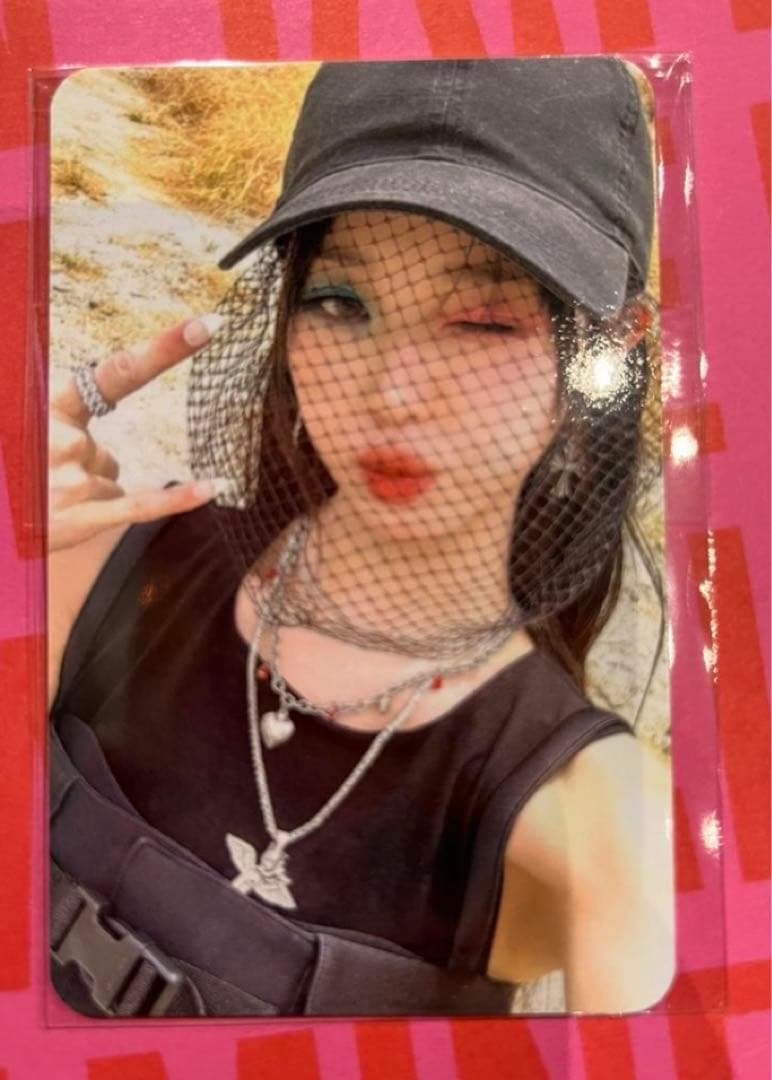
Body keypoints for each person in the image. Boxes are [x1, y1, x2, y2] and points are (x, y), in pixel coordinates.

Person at [48, 58, 673, 1017]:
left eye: (481, 323)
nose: (394, 394)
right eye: (340, 303)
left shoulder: (596, 819)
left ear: (608, 351)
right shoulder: (110, 570)